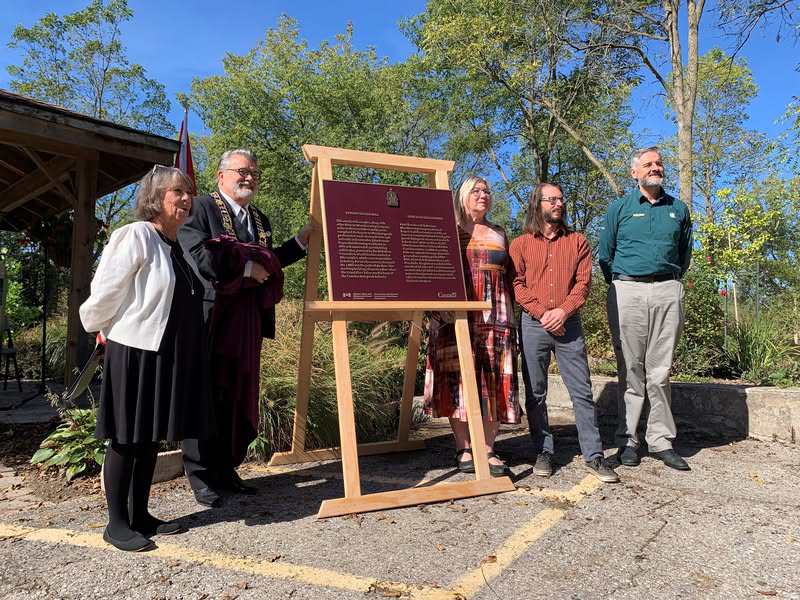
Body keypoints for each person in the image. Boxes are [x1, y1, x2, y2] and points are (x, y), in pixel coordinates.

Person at [80, 166, 209, 552]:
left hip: (164, 354)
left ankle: (141, 515)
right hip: (134, 352)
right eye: (178, 192)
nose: (186, 199)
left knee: (149, 438)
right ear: (156, 198)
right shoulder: (135, 234)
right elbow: (105, 290)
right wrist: (99, 327)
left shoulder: (173, 244)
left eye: (189, 193)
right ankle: (116, 523)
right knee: (126, 438)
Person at [179, 149, 312, 507]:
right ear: (221, 176)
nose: (249, 177)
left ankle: (226, 468)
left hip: (249, 319)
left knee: (238, 396)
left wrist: (300, 242)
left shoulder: (260, 220)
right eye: (242, 171)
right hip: (211, 317)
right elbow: (196, 256)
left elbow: (270, 263)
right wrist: (243, 272)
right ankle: (200, 475)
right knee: (206, 394)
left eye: (254, 172)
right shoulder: (202, 208)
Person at [509, 183, 619, 483]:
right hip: (534, 323)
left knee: (582, 391)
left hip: (568, 324)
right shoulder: (519, 244)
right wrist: (543, 313)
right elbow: (517, 284)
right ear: (537, 203)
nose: (559, 203)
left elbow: (583, 284)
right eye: (552, 199)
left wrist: (562, 311)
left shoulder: (578, 242)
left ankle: (594, 456)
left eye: (561, 199)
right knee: (536, 392)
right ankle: (543, 451)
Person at [598, 147, 693, 471]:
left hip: (667, 289)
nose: (656, 168)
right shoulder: (620, 208)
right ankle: (627, 441)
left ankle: (661, 441)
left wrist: (666, 281)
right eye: (648, 164)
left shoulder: (678, 209)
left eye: (659, 164)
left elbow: (684, 255)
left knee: (661, 370)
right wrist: (626, 284)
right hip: (627, 290)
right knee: (631, 369)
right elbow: (605, 255)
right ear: (634, 172)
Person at [423, 175, 521, 476]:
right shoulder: (447, 232)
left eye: (487, 191)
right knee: (456, 380)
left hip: (496, 315)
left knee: (495, 378)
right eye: (476, 191)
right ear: (463, 196)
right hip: (454, 317)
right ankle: (463, 447)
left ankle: (489, 449)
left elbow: (510, 277)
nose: (483, 195)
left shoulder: (500, 233)